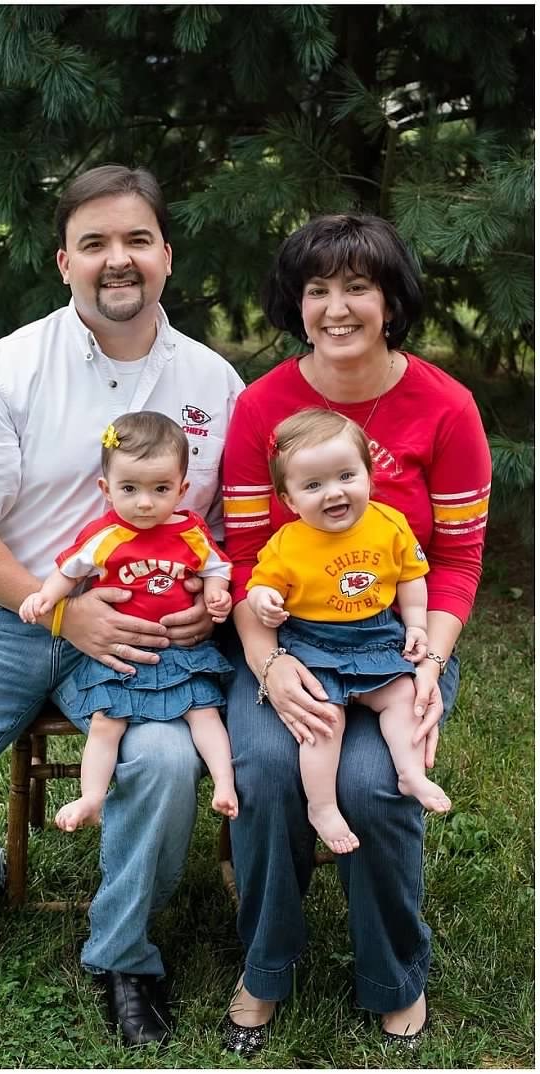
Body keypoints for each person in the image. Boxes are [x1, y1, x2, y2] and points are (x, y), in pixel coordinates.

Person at [0, 164, 244, 1047]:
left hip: (150, 636)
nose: (119, 260)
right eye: (96, 243)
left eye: (137, 240)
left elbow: (231, 525)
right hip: (6, 617)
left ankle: (122, 956)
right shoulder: (7, 370)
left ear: (166, 256)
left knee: (160, 760)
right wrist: (66, 613)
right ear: (63, 261)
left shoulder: (213, 384)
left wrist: (212, 609)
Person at [220, 213, 491, 1054]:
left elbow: (456, 559)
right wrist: (266, 665)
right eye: (317, 289)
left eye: (357, 287)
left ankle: (392, 971)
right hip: (288, 639)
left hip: (395, 642)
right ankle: (265, 964)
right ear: (296, 304)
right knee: (266, 764)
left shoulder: (445, 407)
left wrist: (429, 664)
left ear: (390, 298)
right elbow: (240, 558)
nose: (337, 308)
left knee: (379, 783)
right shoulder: (262, 406)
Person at [18, 410, 238, 829]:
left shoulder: (191, 531)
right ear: (106, 488)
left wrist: (215, 597)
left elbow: (216, 569)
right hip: (122, 653)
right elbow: (69, 571)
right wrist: (43, 599)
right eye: (129, 488)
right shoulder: (106, 535)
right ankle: (91, 798)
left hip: (180, 653)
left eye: (160, 489)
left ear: (182, 488)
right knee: (106, 723)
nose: (144, 501)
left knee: (204, 713)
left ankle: (224, 785)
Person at [247, 408, 450, 857]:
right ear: (289, 499)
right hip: (314, 643)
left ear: (369, 475)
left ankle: (408, 771)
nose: (334, 493)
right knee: (324, 720)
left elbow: (411, 576)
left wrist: (416, 623)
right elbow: (261, 582)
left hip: (376, 636)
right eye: (313, 485)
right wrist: (264, 600)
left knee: (402, 698)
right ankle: (322, 806)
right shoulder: (288, 543)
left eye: (345, 475)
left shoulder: (389, 523)